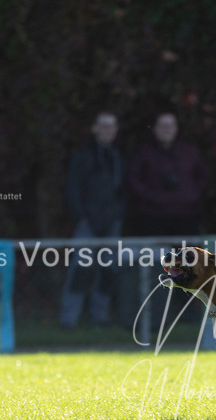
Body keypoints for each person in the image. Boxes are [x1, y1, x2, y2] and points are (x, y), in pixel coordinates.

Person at [60, 112, 125, 328]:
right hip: (88, 223)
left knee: (108, 271)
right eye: (104, 126)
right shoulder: (82, 156)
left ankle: (101, 316)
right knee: (81, 270)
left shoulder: (117, 157)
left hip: (111, 223)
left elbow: (122, 191)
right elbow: (72, 189)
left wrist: (117, 216)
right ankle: (69, 319)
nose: (108, 131)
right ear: (94, 128)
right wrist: (81, 217)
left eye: (112, 127)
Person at [127, 112, 209, 236]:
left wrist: (191, 196)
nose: (167, 130)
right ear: (155, 129)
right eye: (162, 126)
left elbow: (203, 177)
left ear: (176, 128)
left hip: (186, 215)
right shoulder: (144, 153)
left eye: (170, 126)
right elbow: (133, 179)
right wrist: (151, 197)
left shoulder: (190, 152)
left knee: (187, 253)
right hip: (153, 216)